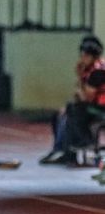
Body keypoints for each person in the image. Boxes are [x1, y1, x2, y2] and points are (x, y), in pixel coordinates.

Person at [40, 36, 104, 165]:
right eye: (82, 55)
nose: (82, 58)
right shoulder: (89, 70)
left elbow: (86, 97)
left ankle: (86, 142)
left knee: (73, 110)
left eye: (86, 55)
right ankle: (63, 150)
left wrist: (80, 76)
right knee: (61, 115)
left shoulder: (98, 71)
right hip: (93, 106)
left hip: (101, 108)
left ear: (94, 56)